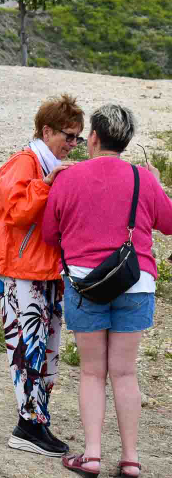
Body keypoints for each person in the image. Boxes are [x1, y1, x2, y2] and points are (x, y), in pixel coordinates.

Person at [42, 104, 172, 477]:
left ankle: (91, 455)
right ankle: (131, 459)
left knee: (92, 372)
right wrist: (156, 184)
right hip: (135, 282)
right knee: (124, 373)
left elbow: (49, 234)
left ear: (93, 137)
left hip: (85, 283)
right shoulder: (142, 179)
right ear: (126, 141)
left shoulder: (69, 177)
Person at [0, 94, 84, 457]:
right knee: (27, 349)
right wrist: (47, 183)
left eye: (78, 137)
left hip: (46, 270)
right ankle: (28, 425)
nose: (73, 144)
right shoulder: (25, 162)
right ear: (46, 131)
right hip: (22, 272)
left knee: (46, 351)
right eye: (68, 136)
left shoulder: (47, 163)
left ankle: (36, 421)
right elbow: (14, 211)